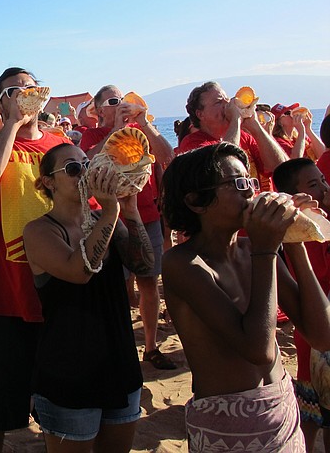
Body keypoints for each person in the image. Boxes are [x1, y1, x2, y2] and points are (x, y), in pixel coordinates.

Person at [161, 143, 330, 451]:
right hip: (227, 423)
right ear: (196, 201)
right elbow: (258, 349)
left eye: (251, 182)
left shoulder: (253, 252)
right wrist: (266, 249)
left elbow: (322, 335)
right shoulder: (182, 264)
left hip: (281, 407)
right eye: (237, 184)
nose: (250, 192)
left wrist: (295, 241)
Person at [0, 67, 68, 451]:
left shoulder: (59, 147)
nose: (24, 93)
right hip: (4, 296)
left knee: (61, 401)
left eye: (29, 88)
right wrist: (11, 125)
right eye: (12, 91)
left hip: (58, 291)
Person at [23, 143, 154, 451]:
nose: (84, 172)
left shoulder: (104, 219)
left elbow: (144, 265)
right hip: (69, 370)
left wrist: (130, 209)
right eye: (72, 168)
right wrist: (111, 211)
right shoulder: (39, 231)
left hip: (119, 359)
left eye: (86, 163)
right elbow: (80, 271)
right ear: (48, 182)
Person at [78, 85, 176, 370]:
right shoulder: (92, 135)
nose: (120, 104)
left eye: (121, 99)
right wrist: (114, 131)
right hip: (109, 220)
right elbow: (87, 162)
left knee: (148, 280)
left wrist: (144, 123)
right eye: (112, 101)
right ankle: (120, 345)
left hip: (146, 214)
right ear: (98, 110)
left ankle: (151, 346)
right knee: (117, 286)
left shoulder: (140, 133)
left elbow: (167, 156)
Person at [273, 158, 330, 452]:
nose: (323, 188)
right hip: (317, 335)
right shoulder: (309, 230)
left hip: (310, 337)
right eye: (313, 185)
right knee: (313, 414)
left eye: (322, 179)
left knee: (314, 414)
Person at [178, 81, 287, 182]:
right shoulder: (193, 143)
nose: (228, 104)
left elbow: (280, 167)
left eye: (227, 99)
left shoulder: (244, 137)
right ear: (200, 114)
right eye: (219, 102)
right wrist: (236, 119)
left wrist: (256, 126)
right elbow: (224, 168)